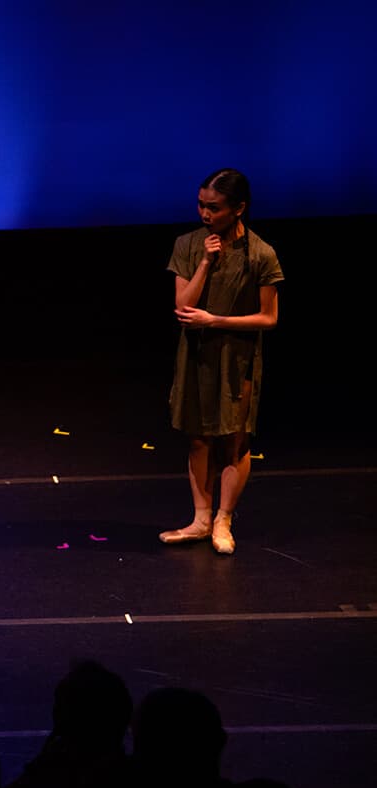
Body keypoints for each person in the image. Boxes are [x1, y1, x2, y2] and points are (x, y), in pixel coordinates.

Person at [159, 169, 282, 554]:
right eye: (201, 205)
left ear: (238, 208)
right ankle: (200, 519)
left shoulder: (260, 253)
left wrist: (215, 320)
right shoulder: (188, 245)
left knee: (234, 440)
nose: (205, 214)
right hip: (197, 357)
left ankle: (223, 519)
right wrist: (204, 263)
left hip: (237, 359)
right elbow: (183, 306)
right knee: (198, 438)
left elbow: (269, 318)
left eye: (214, 207)